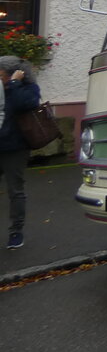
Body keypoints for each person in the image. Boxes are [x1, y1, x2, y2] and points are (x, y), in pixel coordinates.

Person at [0, 55, 40, 249]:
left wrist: (15, 83)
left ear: (11, 73)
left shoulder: (28, 89)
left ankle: (16, 231)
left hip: (14, 148)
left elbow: (22, 104)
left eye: (0, 72)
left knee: (15, 191)